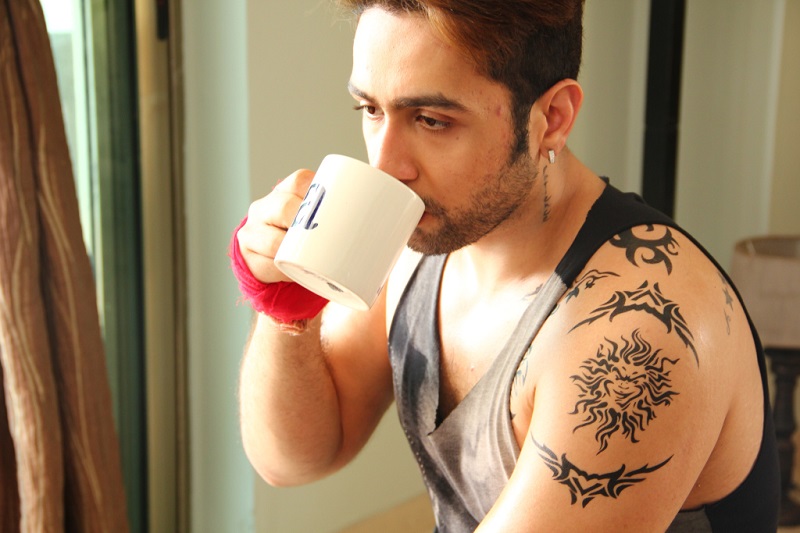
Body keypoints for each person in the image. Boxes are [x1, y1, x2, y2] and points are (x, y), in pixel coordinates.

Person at [233, 1, 780, 531]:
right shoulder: (418, 239)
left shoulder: (638, 327)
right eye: (371, 110)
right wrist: (284, 306)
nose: (386, 164)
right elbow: (294, 459)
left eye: (432, 120)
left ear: (552, 119)